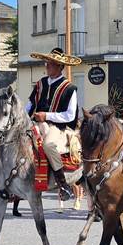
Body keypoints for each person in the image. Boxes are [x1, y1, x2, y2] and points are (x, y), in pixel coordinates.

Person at [26, 48, 82, 201]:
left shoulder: (69, 88)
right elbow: (30, 104)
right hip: (35, 123)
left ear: (60, 67)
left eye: (51, 64)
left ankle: (63, 185)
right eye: (47, 63)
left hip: (58, 127)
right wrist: (23, 118)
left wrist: (47, 115)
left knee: (48, 145)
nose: (47, 66)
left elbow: (70, 115)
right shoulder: (40, 84)